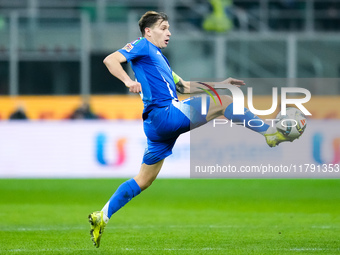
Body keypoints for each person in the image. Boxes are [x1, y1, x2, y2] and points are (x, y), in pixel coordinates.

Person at [88, 11, 292, 248]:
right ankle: (270, 133)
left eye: (169, 28)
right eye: (163, 28)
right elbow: (111, 60)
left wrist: (220, 84)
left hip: (156, 126)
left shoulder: (159, 59)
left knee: (143, 180)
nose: (169, 32)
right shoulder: (142, 46)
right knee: (224, 103)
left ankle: (102, 215)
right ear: (148, 31)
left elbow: (184, 86)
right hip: (165, 114)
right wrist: (128, 81)